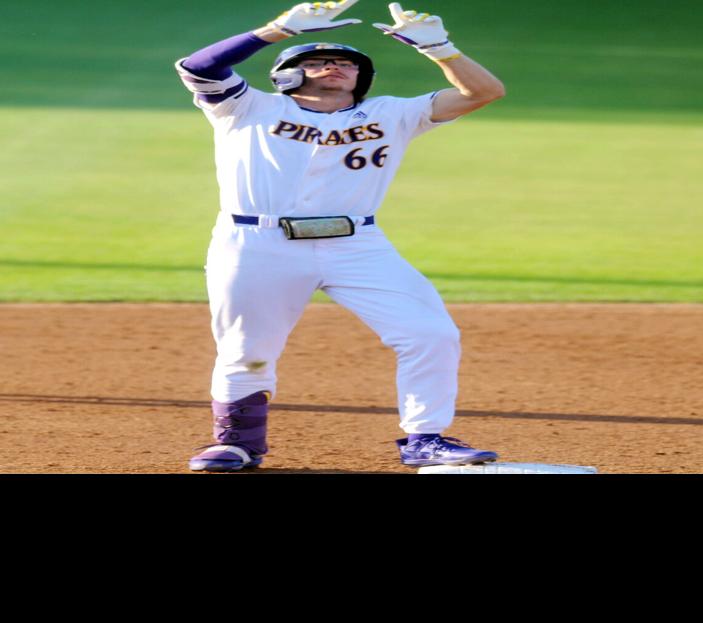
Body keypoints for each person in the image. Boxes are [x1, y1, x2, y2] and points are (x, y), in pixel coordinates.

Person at [175, 1, 505, 472]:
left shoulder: (393, 114)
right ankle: (239, 444)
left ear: (361, 78)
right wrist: (276, 30)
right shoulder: (245, 106)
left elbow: (485, 92)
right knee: (247, 351)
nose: (334, 66)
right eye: (316, 61)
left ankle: (425, 438)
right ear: (287, 73)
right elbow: (197, 67)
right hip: (256, 244)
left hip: (358, 246)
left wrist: (441, 49)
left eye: (346, 63)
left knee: (430, 332)